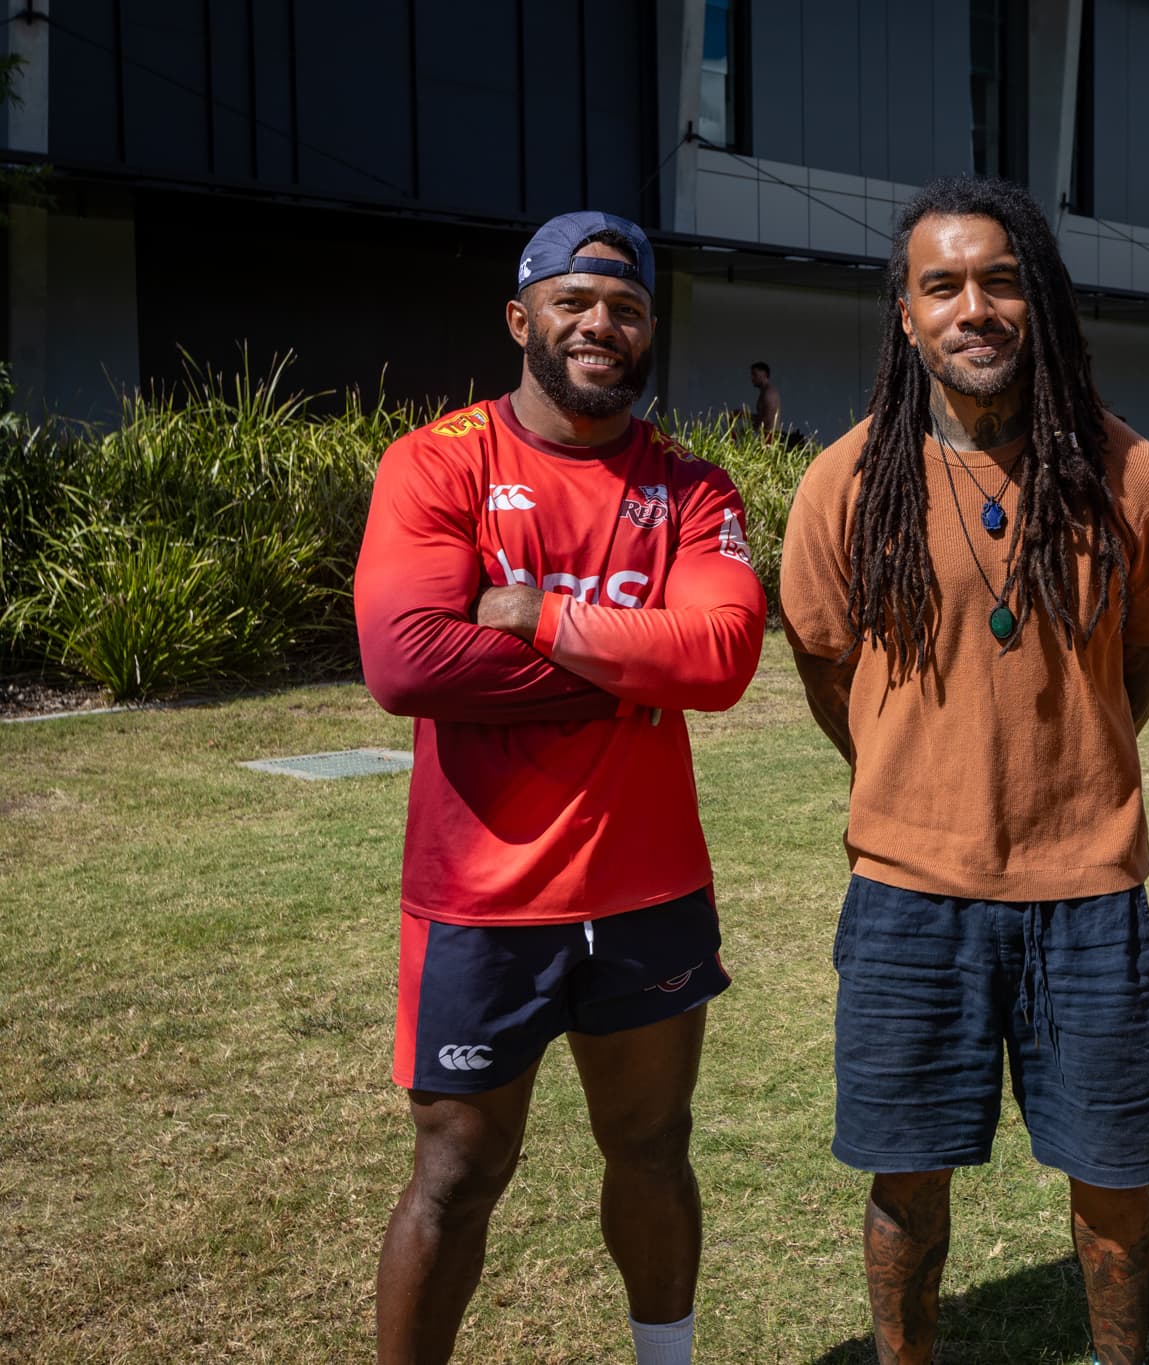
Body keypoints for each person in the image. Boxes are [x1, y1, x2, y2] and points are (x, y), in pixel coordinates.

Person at [779, 175, 1149, 1365]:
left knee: (1113, 1181)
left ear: (1041, 301)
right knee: (905, 1182)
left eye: (1001, 280)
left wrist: (1067, 772)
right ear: (904, 317)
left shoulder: (1138, 483)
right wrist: (915, 780)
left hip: (1090, 895)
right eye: (942, 285)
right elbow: (827, 672)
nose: (975, 307)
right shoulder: (846, 486)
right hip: (910, 892)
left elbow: (1142, 661)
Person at [354, 210, 767, 1365]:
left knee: (651, 1147)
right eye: (575, 302)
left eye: (626, 308)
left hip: (646, 891)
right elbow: (408, 663)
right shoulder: (439, 461)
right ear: (520, 317)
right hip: (479, 899)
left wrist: (538, 615)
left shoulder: (690, 486)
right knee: (455, 1170)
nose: (601, 325)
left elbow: (723, 658)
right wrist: (633, 669)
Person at [748, 360, 782, 436]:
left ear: (764, 374)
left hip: (771, 437)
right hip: (767, 436)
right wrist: (745, 415)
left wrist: (750, 430)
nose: (752, 378)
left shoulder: (769, 393)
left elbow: (767, 418)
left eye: (755, 374)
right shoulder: (765, 392)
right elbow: (762, 416)